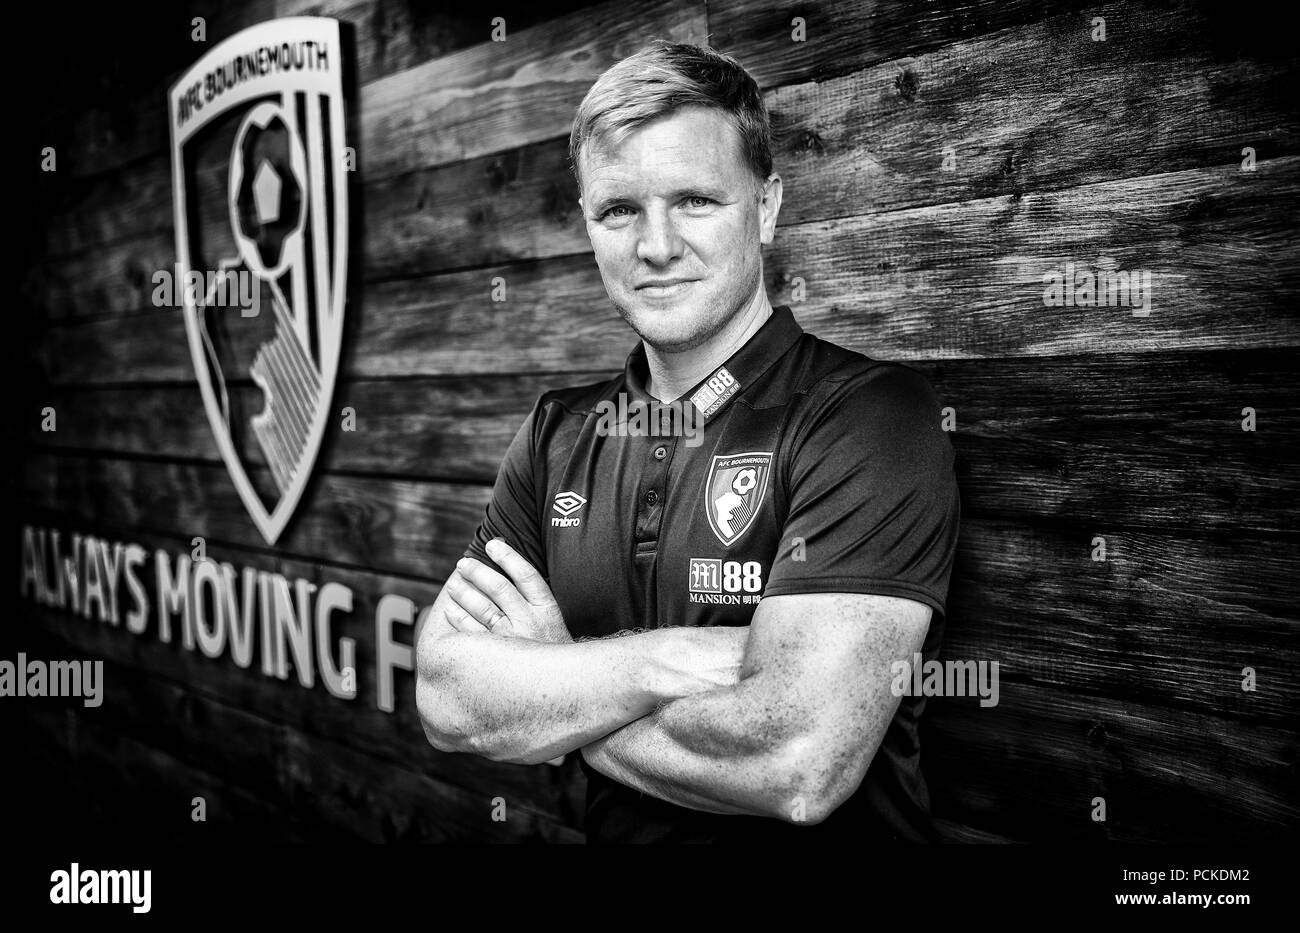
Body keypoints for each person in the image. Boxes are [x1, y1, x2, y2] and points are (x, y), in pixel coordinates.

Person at [415, 40, 960, 843]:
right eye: (619, 209)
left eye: (696, 200)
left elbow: (797, 761)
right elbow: (446, 698)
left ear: (767, 206)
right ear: (588, 225)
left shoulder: (868, 417)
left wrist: (557, 686)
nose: (657, 245)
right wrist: (665, 660)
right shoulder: (556, 433)